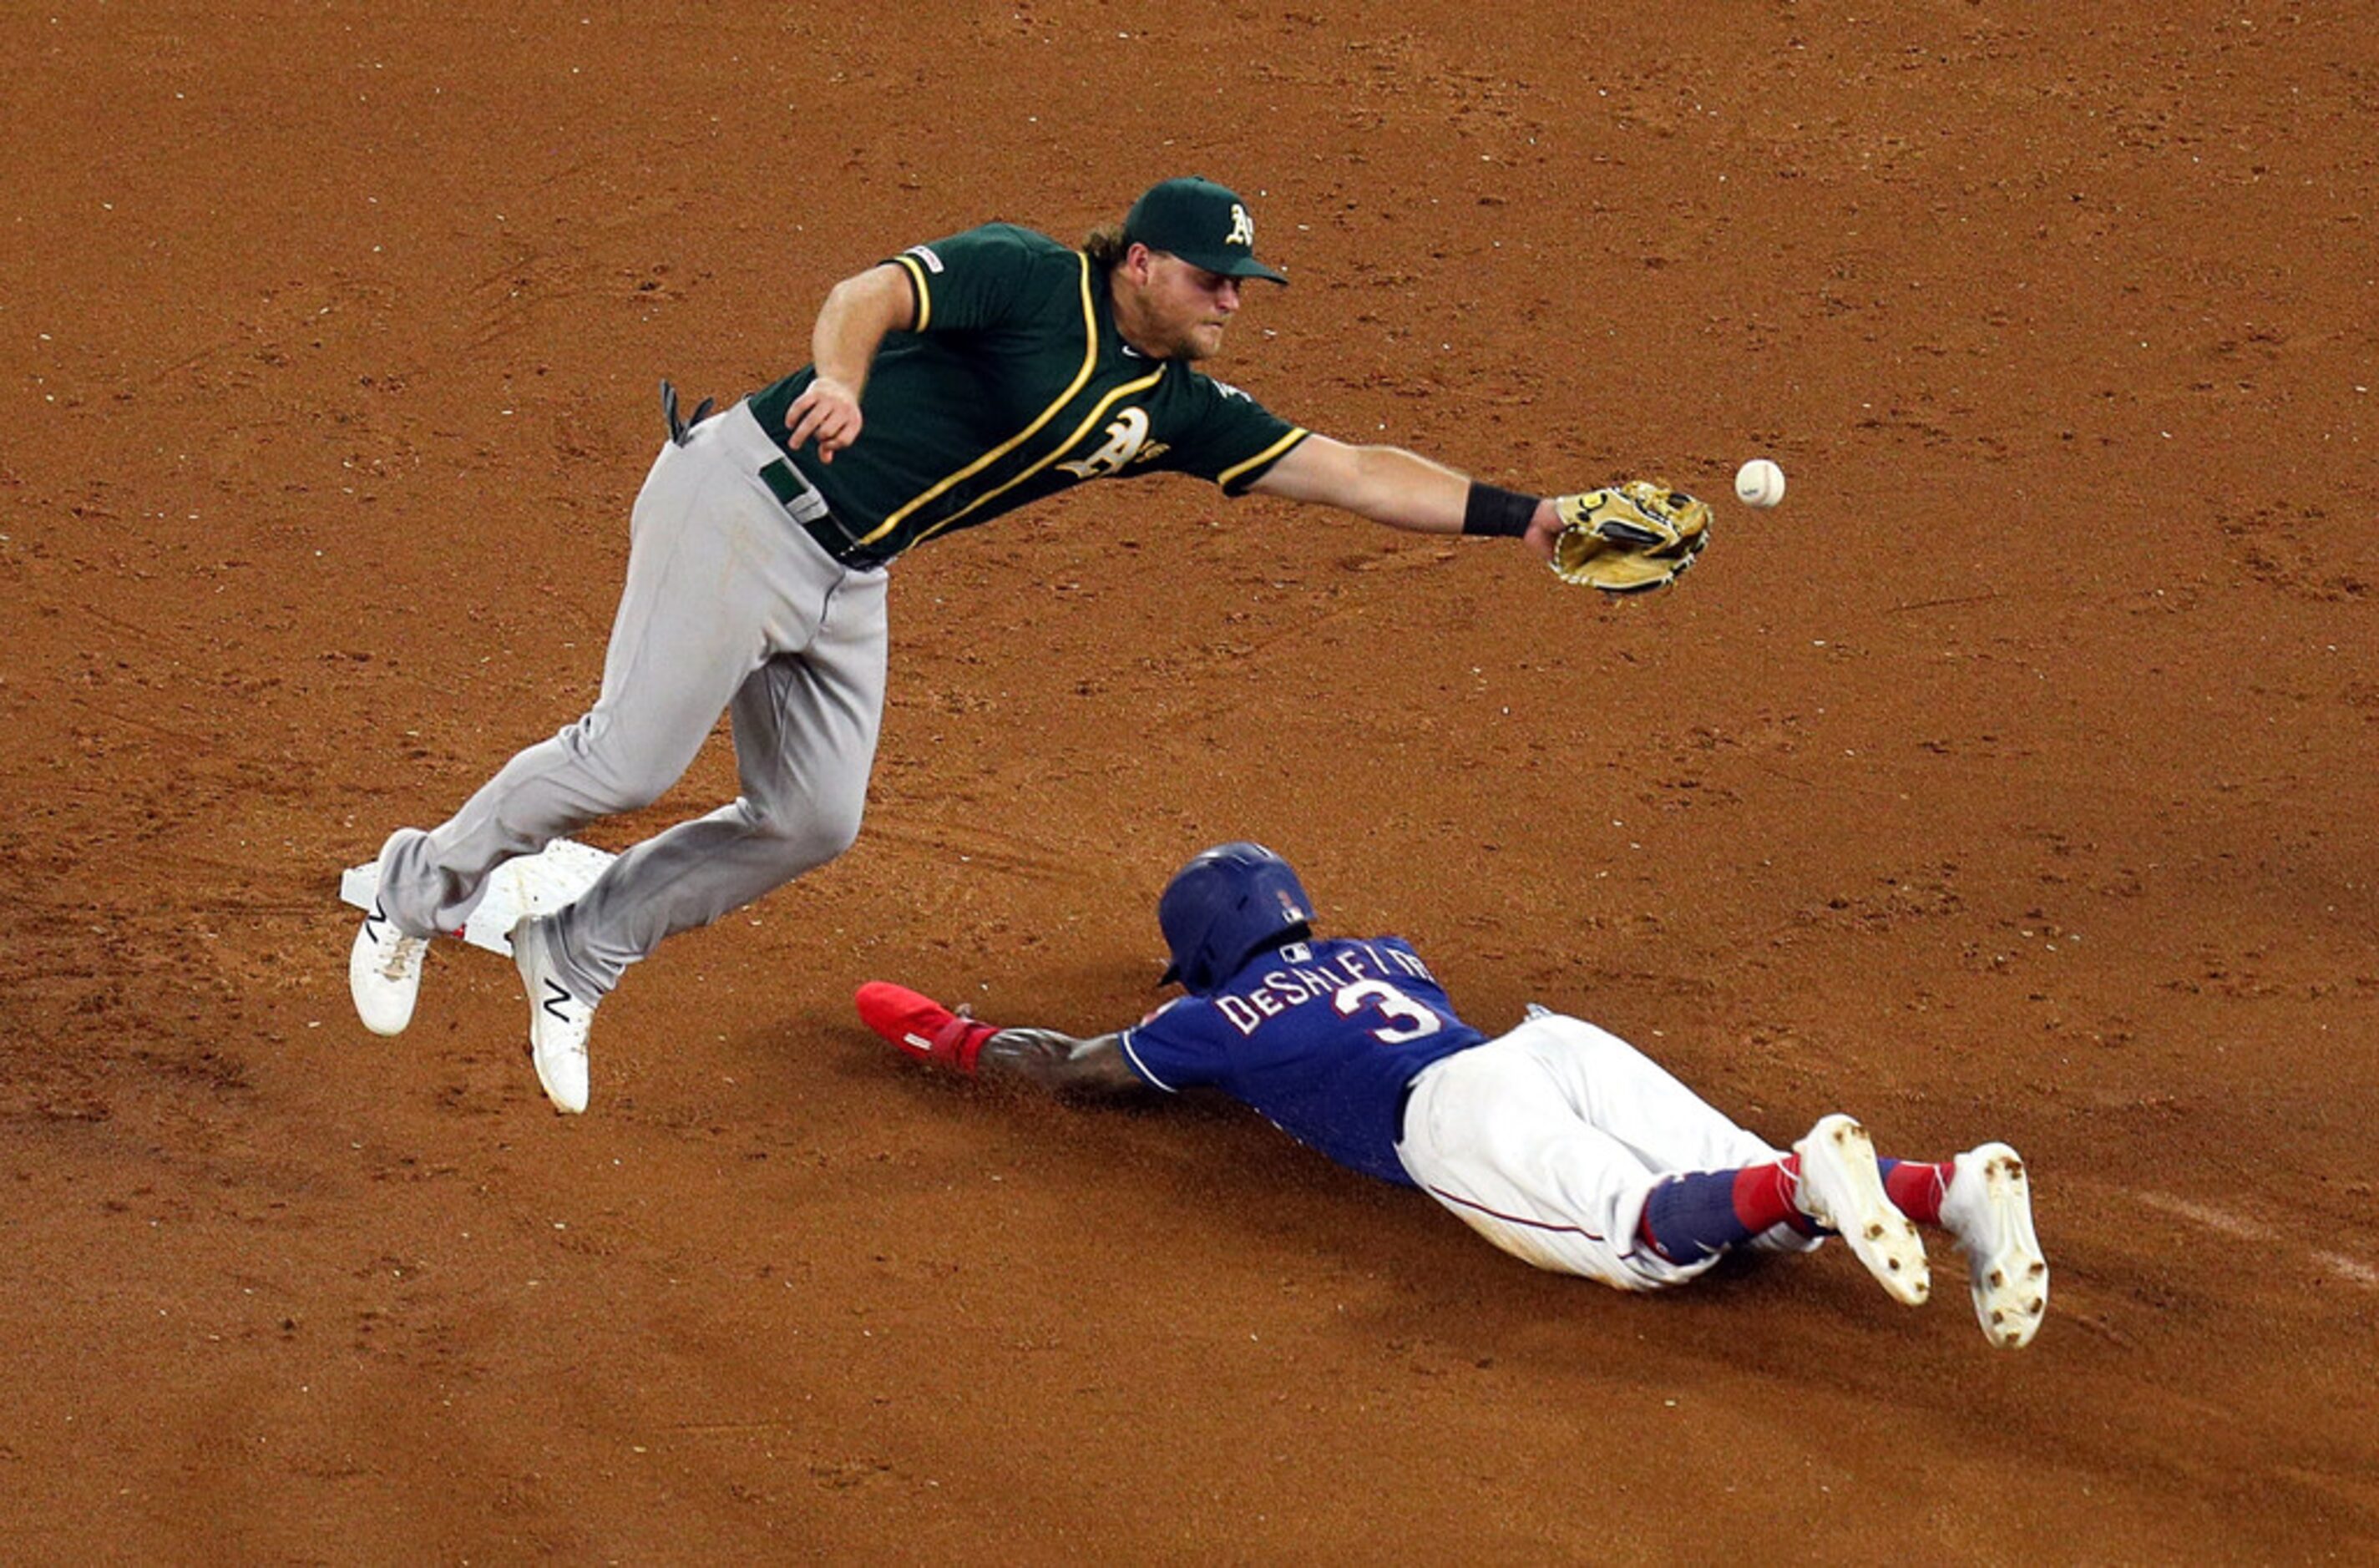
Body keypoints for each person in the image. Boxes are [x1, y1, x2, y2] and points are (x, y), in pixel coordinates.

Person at [347, 177, 1622, 1115]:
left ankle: (575, 945)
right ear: (1135, 264)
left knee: (812, 817)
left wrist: (1535, 519)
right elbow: (866, 296)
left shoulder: (1176, 407)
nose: (1232, 300)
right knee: (626, 759)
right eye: (1208, 277)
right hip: (745, 500)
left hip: (849, 570)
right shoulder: (1027, 274)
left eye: (1242, 284)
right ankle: (416, 889)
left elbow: (1346, 471)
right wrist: (837, 377)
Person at [853, 842, 2051, 1349]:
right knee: (1762, 1216)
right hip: (1549, 1047)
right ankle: (1944, 1188)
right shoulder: (1389, 949)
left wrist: (952, 1037)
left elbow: (1070, 1069)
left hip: (1450, 1115)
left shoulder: (1206, 1019)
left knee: (1643, 1238)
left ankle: (1808, 1173)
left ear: (1205, 948)